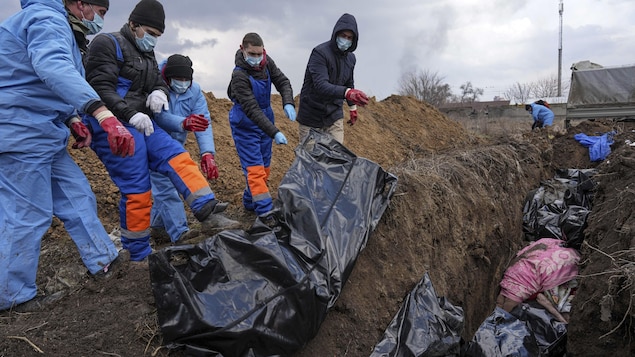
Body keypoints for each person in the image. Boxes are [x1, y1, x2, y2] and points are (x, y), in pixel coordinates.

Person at [0, 0, 134, 311]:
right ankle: (12, 298)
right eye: (100, 13)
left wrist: (72, 118)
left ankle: (104, 261)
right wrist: (100, 113)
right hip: (18, 130)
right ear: (80, 3)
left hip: (42, 132)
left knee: (77, 195)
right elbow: (52, 67)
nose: (100, 20)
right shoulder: (46, 19)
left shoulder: (60, 27)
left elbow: (38, 82)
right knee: (27, 214)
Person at [83, 0, 239, 262]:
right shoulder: (106, 43)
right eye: (151, 34)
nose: (153, 40)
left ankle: (208, 211)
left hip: (142, 122)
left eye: (158, 36)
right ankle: (139, 254)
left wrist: (158, 91)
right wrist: (130, 113)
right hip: (113, 124)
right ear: (133, 25)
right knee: (138, 189)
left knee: (177, 156)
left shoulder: (146, 55)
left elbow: (157, 80)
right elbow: (99, 88)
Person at [227, 32, 296, 218]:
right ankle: (265, 213)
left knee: (264, 167)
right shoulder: (239, 76)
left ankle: (250, 202)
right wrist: (274, 132)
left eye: (260, 54)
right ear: (243, 50)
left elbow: (282, 81)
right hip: (245, 124)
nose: (257, 59)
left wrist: (288, 101)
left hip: (266, 118)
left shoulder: (267, 62)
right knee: (255, 171)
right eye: (252, 54)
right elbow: (251, 109)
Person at [151, 54, 218, 243]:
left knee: (167, 185)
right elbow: (158, 116)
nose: (182, 83)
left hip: (175, 146)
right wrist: (183, 123)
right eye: (178, 79)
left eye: (186, 80)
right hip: (155, 144)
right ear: (167, 77)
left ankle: (157, 227)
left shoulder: (194, 91)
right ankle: (180, 234)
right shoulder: (156, 87)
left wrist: (207, 153)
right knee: (165, 189)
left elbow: (203, 122)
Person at [297, 13, 369, 144]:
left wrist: (352, 107)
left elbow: (349, 82)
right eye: (343, 36)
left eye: (349, 38)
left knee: (336, 158)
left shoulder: (351, 59)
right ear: (336, 34)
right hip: (312, 115)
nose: (345, 40)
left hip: (334, 114)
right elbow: (321, 85)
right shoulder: (319, 53)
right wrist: (347, 93)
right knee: (310, 161)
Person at [496, 238, 580, 323]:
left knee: (503, 302)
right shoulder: (571, 259)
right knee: (505, 310)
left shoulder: (553, 243)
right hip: (524, 279)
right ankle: (496, 323)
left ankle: (495, 321)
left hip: (517, 272)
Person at [64, 0, 109, 65]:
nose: (102, 19)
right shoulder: (57, 26)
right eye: (101, 12)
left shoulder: (74, 36)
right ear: (81, 4)